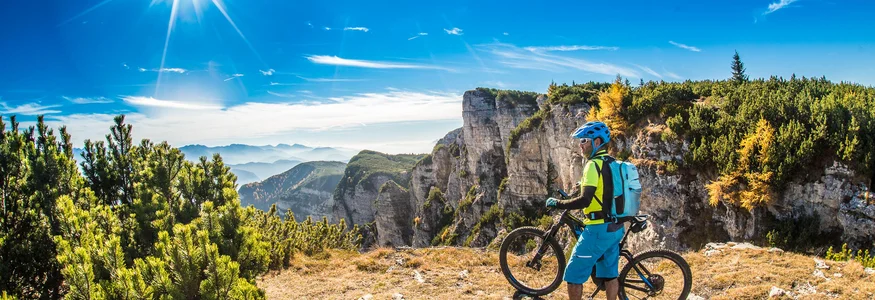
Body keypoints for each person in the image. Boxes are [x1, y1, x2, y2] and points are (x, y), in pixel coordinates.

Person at [545, 121, 625, 300]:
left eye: (584, 141)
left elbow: (585, 200)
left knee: (573, 275)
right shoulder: (612, 163)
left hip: (597, 229)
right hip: (615, 227)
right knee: (610, 274)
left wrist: (558, 204)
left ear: (597, 142)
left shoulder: (592, 165)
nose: (580, 145)